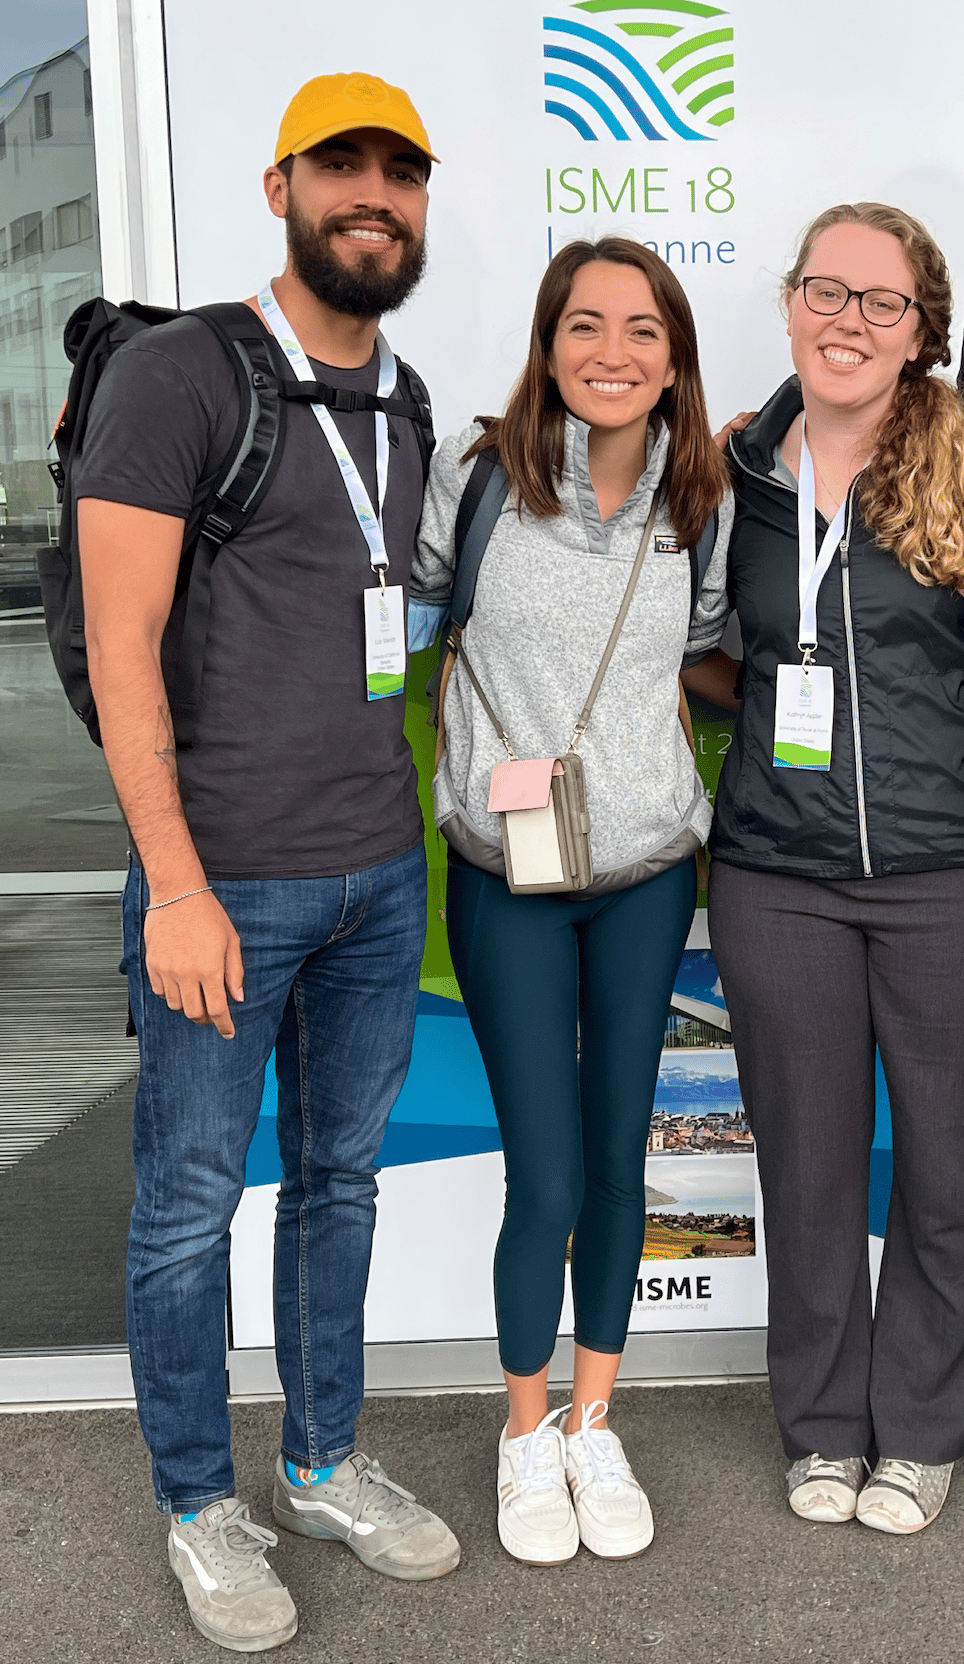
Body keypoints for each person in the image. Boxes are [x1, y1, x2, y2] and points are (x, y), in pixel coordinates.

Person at [76, 72, 459, 1654]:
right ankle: (194, 1500)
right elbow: (121, 645)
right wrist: (173, 881)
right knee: (182, 1209)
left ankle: (319, 1460)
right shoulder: (181, 374)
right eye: (342, 167)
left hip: (379, 873)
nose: (373, 195)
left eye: (402, 173)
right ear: (280, 183)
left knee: (342, 1183)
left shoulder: (409, 395)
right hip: (222, 886)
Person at [411, 237, 732, 1565]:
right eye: (585, 326)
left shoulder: (700, 498)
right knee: (542, 1174)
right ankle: (526, 1432)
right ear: (548, 345)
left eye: (644, 332)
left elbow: (713, 662)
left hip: (648, 873)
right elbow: (405, 632)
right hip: (509, 879)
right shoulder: (476, 478)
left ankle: (598, 1420)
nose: (613, 353)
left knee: (619, 1163)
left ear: (676, 358)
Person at [707, 202, 964, 1535]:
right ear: (793, 303)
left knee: (947, 1170)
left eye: (882, 302)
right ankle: (822, 1426)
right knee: (805, 1172)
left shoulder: (962, 461)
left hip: (942, 876)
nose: (848, 320)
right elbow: (704, 650)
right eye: (827, 291)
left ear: (924, 332)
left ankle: (919, 1431)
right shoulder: (736, 470)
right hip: (776, 876)